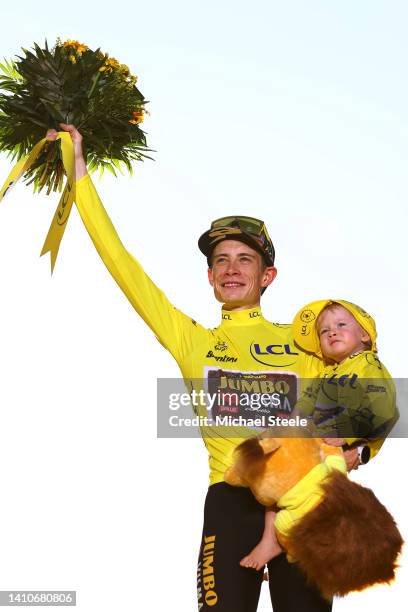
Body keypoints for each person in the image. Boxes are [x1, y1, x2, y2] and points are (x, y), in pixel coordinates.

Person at [45, 123, 359, 612]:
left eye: (245, 259)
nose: (232, 268)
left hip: (306, 502)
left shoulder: (306, 338)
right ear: (210, 277)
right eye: (221, 260)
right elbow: (121, 263)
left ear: (267, 275)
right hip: (230, 504)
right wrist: (77, 166)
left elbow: (370, 386)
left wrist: (359, 449)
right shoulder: (193, 340)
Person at [240, 299, 398, 572]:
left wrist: (347, 434)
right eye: (324, 331)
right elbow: (304, 407)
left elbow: (384, 412)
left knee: (320, 497)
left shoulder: (368, 367)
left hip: (334, 449)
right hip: (313, 443)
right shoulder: (325, 375)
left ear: (364, 335)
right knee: (276, 477)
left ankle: (315, 546)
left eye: (340, 325)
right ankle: (272, 539)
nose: (332, 332)